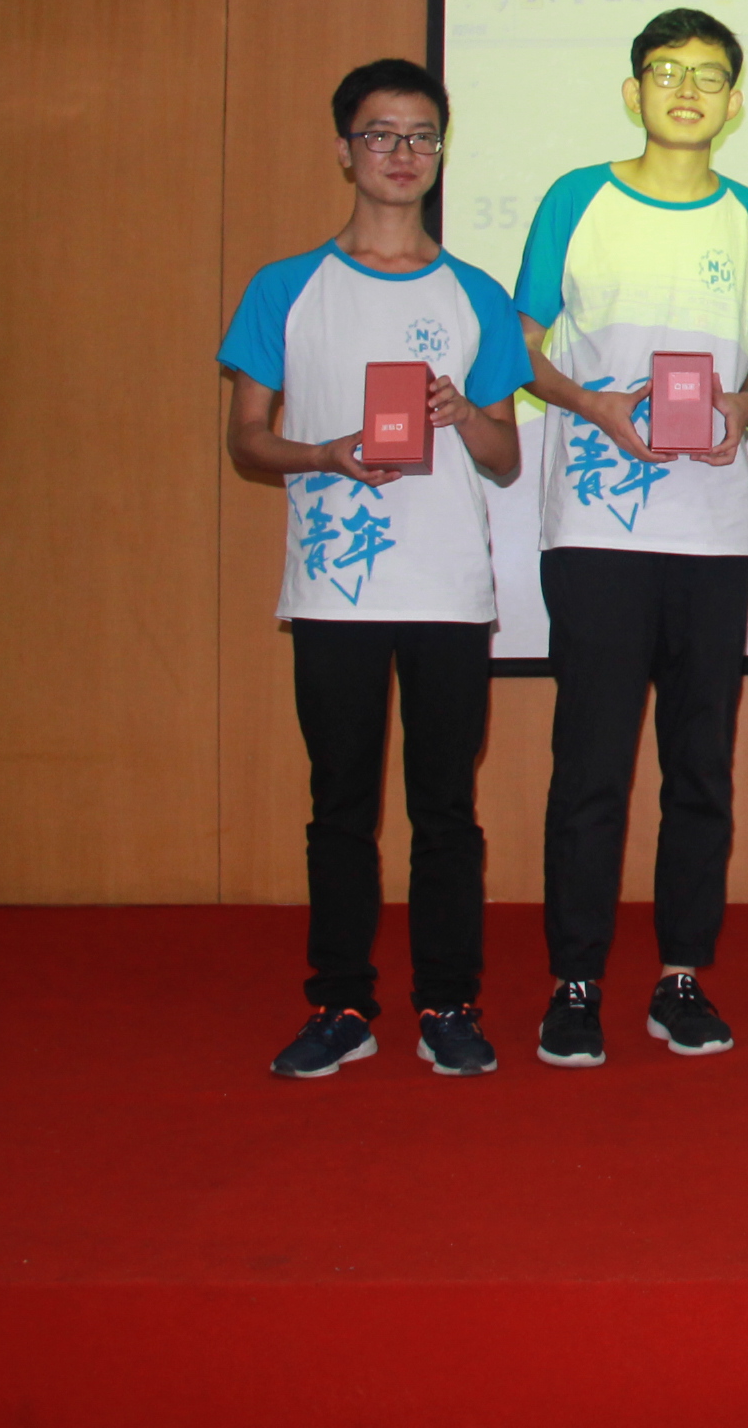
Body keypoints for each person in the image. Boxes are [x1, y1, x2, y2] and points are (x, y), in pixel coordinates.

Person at [220, 57, 529, 1080]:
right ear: (344, 150)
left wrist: (463, 413)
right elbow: (247, 441)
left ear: (441, 153)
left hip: (448, 591)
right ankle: (342, 1003)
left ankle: (449, 1002)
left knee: (446, 811)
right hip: (334, 591)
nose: (404, 154)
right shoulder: (286, 288)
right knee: (340, 807)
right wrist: (323, 454)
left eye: (422, 136)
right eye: (382, 135)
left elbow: (504, 456)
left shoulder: (475, 293)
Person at [511, 8, 748, 1070]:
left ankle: (681, 977)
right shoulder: (577, 200)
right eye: (666, 72)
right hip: (596, 527)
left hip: (714, 531)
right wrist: (594, 404)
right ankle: (575, 983)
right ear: (633, 92)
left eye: (709, 75)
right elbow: (520, 350)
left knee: (699, 768)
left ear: (734, 101)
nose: (687, 90)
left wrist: (747, 406)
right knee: (591, 764)